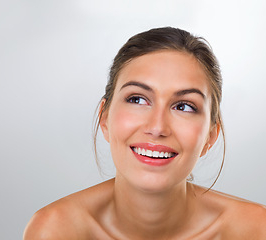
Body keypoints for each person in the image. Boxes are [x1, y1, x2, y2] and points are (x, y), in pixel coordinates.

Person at [23, 27, 266, 240]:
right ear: (105, 118)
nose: (157, 127)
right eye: (137, 99)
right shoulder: (55, 230)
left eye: (184, 106)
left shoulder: (257, 230)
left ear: (211, 137)